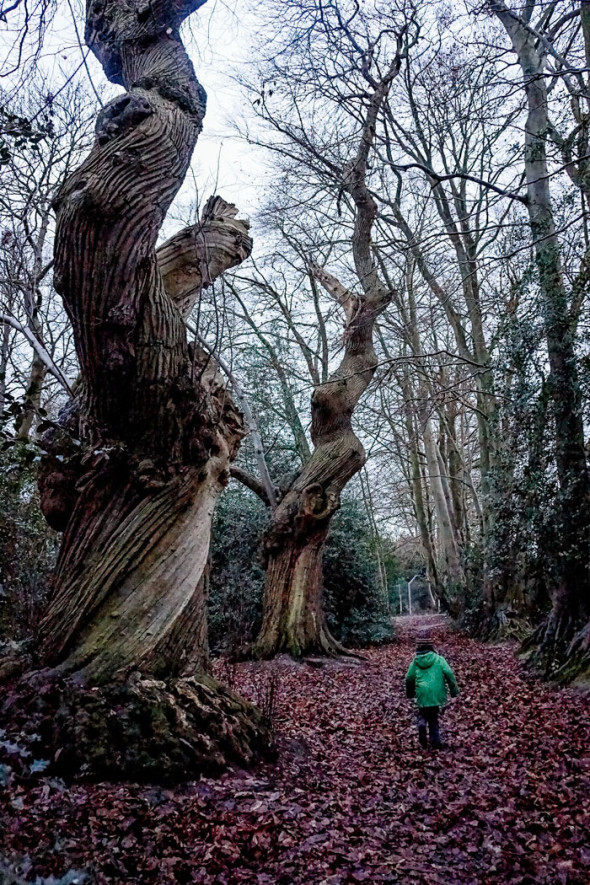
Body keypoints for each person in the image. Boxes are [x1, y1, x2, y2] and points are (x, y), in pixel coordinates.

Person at [405, 631, 459, 750]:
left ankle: (421, 723)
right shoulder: (439, 659)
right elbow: (449, 673)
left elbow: (409, 678)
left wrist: (410, 693)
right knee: (433, 717)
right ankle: (436, 743)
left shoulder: (415, 661)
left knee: (423, 712)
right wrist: (454, 692)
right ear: (432, 647)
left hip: (422, 692)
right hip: (436, 693)